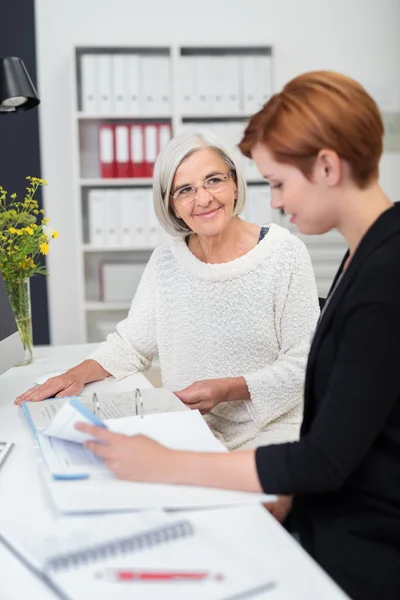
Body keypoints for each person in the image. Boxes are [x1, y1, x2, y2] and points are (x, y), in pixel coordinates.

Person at [75, 72, 400, 600]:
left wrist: (168, 463)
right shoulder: (363, 255)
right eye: (185, 189)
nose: (271, 201)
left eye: (275, 182)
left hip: (355, 547)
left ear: (325, 167)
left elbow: (323, 456)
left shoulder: (382, 277)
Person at [16, 131, 319, 451]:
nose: (203, 199)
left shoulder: (283, 253)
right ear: (171, 205)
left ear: (234, 183)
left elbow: (305, 364)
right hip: (189, 429)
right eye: (185, 190)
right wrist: (76, 375)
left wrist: (228, 389)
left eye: (213, 180)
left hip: (272, 432)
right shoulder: (167, 261)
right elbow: (131, 344)